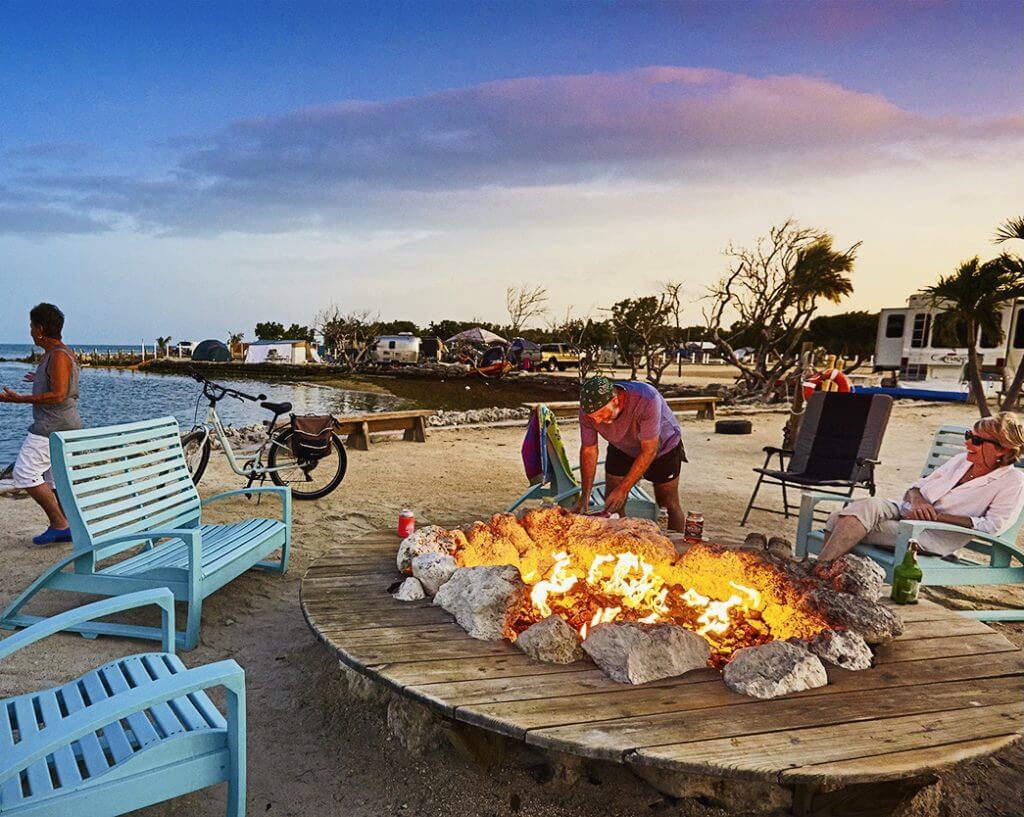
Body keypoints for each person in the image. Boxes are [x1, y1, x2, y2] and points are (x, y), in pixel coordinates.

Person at [819, 413, 1024, 561]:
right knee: (868, 505)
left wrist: (935, 517)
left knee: (839, 519)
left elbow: (994, 526)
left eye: (977, 440)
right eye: (968, 435)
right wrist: (918, 500)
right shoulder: (961, 460)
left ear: (1002, 449)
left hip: (933, 534)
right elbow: (915, 488)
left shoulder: (1012, 481)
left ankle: (818, 573)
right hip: (906, 511)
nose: (968, 443)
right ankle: (822, 573)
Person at [0, 303, 82, 545]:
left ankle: (59, 523)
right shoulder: (61, 352)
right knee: (53, 478)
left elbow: (58, 394)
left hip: (51, 427)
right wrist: (39, 378)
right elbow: (62, 383)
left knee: (24, 473)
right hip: (64, 425)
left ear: (40, 329)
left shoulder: (57, 355)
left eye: (31, 326)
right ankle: (68, 525)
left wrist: (18, 399)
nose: (30, 331)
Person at [573, 375, 687, 530]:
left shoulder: (646, 399)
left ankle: (678, 548)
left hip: (662, 447)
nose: (597, 422)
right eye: (593, 418)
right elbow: (589, 449)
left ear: (615, 400)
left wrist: (623, 489)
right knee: (612, 500)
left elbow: (649, 450)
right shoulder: (588, 409)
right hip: (622, 445)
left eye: (600, 415)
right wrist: (585, 495)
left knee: (668, 504)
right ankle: (620, 540)